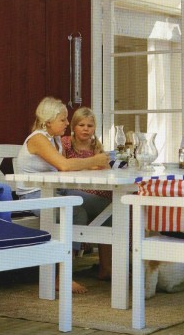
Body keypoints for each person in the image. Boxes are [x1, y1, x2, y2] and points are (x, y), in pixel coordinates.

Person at [16, 97, 110, 294]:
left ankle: (107, 267)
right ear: (48, 120)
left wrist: (91, 165)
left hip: (55, 192)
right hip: (34, 195)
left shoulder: (55, 140)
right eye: (63, 119)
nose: (68, 123)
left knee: (106, 205)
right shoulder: (38, 139)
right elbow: (65, 166)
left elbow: (65, 169)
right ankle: (64, 276)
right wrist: (95, 160)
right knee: (76, 213)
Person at [61, 106, 112, 281]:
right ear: (73, 126)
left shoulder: (96, 146)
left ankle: (106, 266)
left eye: (89, 125)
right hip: (72, 190)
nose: (85, 129)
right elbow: (63, 167)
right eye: (81, 125)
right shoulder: (66, 144)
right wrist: (90, 165)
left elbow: (105, 168)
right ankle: (68, 270)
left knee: (112, 206)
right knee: (108, 207)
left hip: (94, 190)